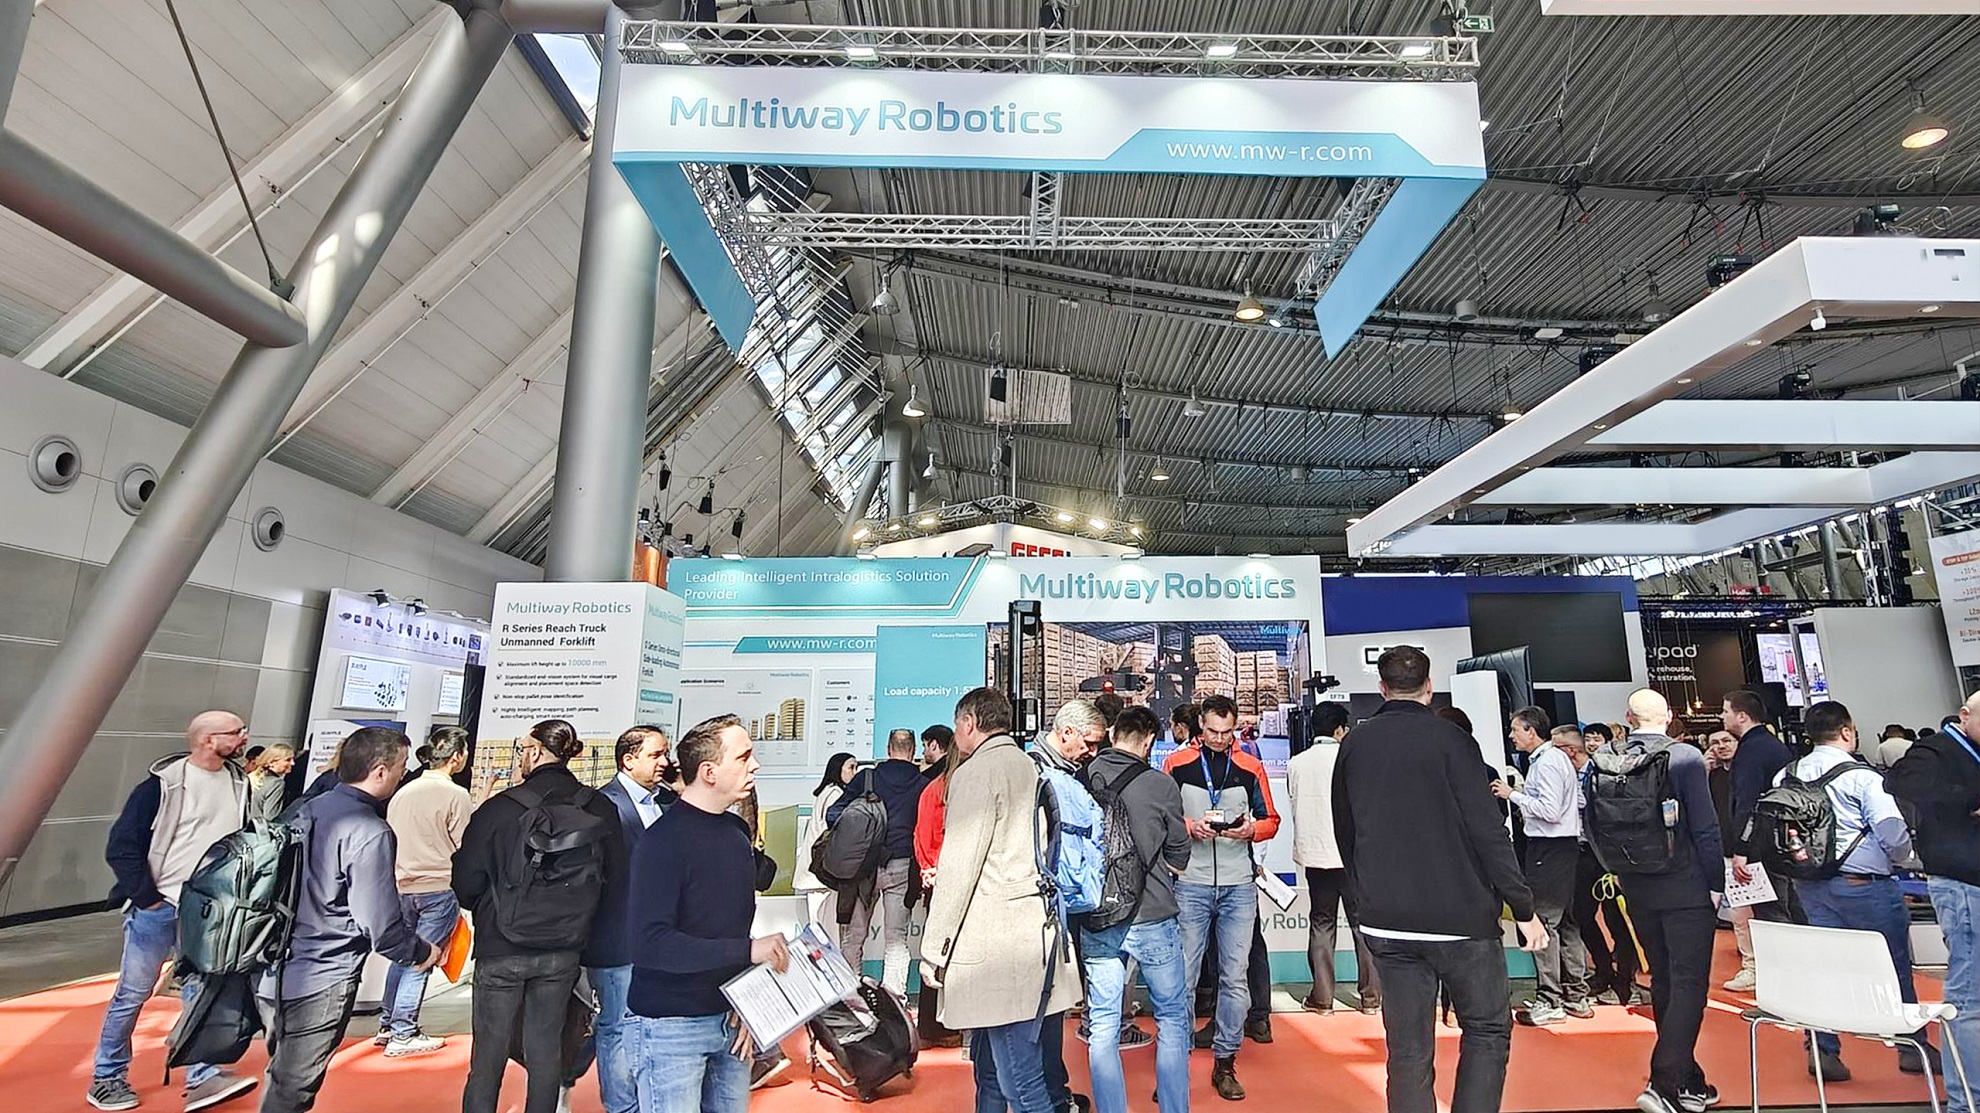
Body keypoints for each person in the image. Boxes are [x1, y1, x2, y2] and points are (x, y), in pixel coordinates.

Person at [1335, 648, 1544, 1113]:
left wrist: (1364, 893)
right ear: (1429, 688)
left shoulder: (1356, 744)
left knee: (1407, 1049)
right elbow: (1487, 829)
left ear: (1382, 688)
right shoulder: (1453, 741)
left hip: (1388, 918)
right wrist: (1522, 905)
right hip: (1461, 918)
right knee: (1486, 1031)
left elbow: (1345, 829)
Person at [259, 728, 440, 1113]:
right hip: (325, 972)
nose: (404, 774)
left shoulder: (305, 809)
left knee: (282, 1074)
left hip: (275, 965)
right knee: (293, 1088)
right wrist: (421, 951)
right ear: (379, 771)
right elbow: (381, 925)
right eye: (401, 766)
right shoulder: (370, 831)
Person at [454, 720, 627, 1113]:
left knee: (488, 1056)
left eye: (522, 749)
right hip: (565, 946)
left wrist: (495, 907)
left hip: (501, 943)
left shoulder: (499, 808)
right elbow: (615, 879)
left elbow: (466, 882)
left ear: (533, 752)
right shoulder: (598, 807)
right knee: (547, 1050)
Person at [89, 711, 257, 1113]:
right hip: (159, 906)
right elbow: (122, 846)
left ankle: (202, 1074)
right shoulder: (162, 786)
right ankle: (107, 1077)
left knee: (202, 992)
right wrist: (148, 898)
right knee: (133, 993)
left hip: (209, 909)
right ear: (207, 739)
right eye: (235, 732)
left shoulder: (239, 783)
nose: (244, 737)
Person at [923, 688, 1081, 1113]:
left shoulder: (976, 773)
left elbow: (960, 867)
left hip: (997, 946)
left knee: (1020, 1084)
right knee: (1003, 1071)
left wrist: (934, 948)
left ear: (969, 723)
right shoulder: (1029, 766)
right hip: (1035, 936)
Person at [626, 715, 790, 1113]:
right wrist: (747, 951)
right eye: (744, 757)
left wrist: (750, 1003)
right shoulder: (661, 841)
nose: (755, 765)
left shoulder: (735, 832)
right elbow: (649, 944)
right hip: (671, 1025)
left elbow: (730, 925)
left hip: (731, 1019)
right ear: (709, 772)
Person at [1766, 701, 1936, 1081]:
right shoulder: (1862, 777)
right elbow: (1891, 832)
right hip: (1864, 886)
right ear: (1846, 731)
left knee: (1824, 968)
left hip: (1808, 885)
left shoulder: (1785, 776)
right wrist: (1905, 857)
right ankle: (1912, 1048)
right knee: (1893, 967)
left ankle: (1823, 1049)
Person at [1609, 690, 1724, 1113]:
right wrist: (1716, 883)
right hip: (1685, 883)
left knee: (1663, 979)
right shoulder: (1686, 758)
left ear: (1628, 717)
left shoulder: (1610, 759)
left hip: (1636, 882)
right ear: (1670, 715)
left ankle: (1688, 1078)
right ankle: (1664, 1082)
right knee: (1689, 983)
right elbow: (1706, 827)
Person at [1166, 694, 1279, 1102]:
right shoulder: (1176, 765)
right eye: (1213, 731)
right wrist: (1188, 826)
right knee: (1183, 978)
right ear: (1200, 724)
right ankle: (1174, 1067)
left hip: (1237, 885)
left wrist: (1251, 831)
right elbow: (1165, 817)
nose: (1219, 738)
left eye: (1226, 732)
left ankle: (1225, 1063)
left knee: (1235, 978)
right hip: (1191, 882)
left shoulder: (1250, 766)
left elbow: (1271, 820)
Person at [1079, 706, 1193, 1113]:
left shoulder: (1082, 778)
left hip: (1098, 914)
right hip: (1153, 911)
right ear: (1148, 742)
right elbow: (1179, 850)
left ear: (1112, 735)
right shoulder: (1160, 784)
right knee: (1172, 1019)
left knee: (1103, 1025)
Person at [1890, 690, 1980, 1113]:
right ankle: (1967, 1100)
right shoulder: (1935, 751)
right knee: (1969, 998)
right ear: (1964, 715)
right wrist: (1971, 801)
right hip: (1964, 885)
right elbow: (1901, 782)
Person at [587, 725, 676, 1113]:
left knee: (653, 1023)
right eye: (656, 755)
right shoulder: (603, 806)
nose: (665, 762)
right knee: (617, 1025)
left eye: (665, 753)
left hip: (661, 936)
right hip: (616, 936)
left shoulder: (667, 803)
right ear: (628, 760)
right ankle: (622, 1105)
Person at [375, 727, 471, 1057]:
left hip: (402, 885)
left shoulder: (404, 791)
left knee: (403, 955)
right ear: (457, 757)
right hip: (438, 887)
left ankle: (388, 1024)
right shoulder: (456, 795)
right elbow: (464, 845)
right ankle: (403, 1031)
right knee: (424, 958)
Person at [1494, 706, 1593, 1026]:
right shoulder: (1556, 760)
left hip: (1548, 849)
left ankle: (1550, 999)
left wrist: (1513, 795)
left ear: (1531, 731)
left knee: (1544, 923)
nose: (1512, 735)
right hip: (1564, 847)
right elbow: (1576, 802)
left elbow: (1550, 811)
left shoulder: (1547, 762)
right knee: (1567, 922)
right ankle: (1575, 994)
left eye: (1515, 729)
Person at [1286, 702, 1380, 1015]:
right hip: (1352, 855)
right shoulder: (1352, 759)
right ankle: (1371, 998)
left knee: (1321, 923)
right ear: (1339, 729)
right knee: (1361, 925)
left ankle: (1322, 998)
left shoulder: (1296, 763)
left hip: (1316, 856)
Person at [826, 729, 926, 995]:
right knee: (896, 940)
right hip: (902, 864)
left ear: (888, 749)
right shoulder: (922, 783)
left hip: (864, 867)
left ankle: (851, 998)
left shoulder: (866, 778)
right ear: (913, 751)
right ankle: (895, 1000)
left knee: (854, 936)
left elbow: (833, 814)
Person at [1563, 724, 1642, 1006]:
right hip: (1583, 853)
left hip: (1611, 855)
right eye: (1589, 738)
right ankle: (1603, 969)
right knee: (1581, 915)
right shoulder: (1570, 775)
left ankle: (1625, 981)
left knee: (1617, 918)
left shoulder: (1604, 773)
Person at [1722, 689, 1792, 994]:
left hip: (1760, 845)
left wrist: (1741, 848)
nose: (1721, 716)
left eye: (1725, 711)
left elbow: (1748, 802)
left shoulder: (1752, 750)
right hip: (1776, 840)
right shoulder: (1772, 745)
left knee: (1767, 913)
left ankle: (1776, 982)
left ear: (1742, 715)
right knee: (1772, 911)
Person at [797, 752, 860, 929]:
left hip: (817, 872)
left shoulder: (828, 792)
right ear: (838, 769)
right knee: (825, 929)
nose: (855, 772)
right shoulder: (835, 794)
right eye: (851, 767)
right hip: (822, 874)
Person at [246, 744, 295, 824]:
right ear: (272, 762)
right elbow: (270, 816)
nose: (293, 763)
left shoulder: (252, 777)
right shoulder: (277, 783)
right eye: (288, 760)